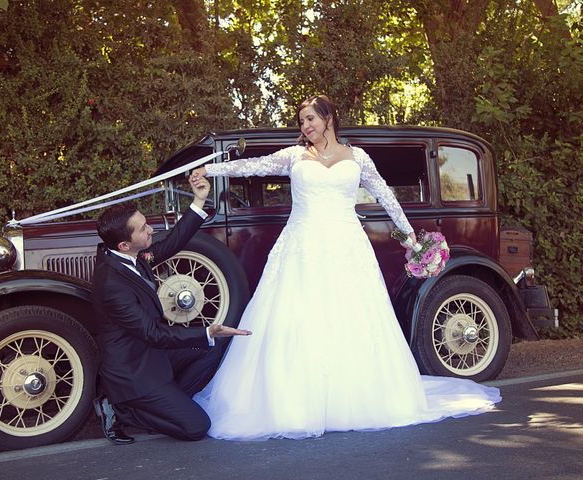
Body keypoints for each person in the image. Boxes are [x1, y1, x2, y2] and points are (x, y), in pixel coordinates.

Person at [191, 95, 501, 441]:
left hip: (347, 245)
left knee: (352, 314)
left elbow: (385, 196)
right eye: (302, 122)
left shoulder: (357, 157)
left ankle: (357, 396)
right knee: (297, 315)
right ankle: (293, 401)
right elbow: (253, 165)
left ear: (328, 118)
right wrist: (210, 169)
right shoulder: (295, 156)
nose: (306, 126)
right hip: (302, 246)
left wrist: (411, 239)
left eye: (310, 119)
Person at [91, 175, 251, 445]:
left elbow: (174, 242)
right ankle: (122, 411)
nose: (150, 230)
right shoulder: (112, 284)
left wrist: (199, 199)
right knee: (196, 427)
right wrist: (208, 330)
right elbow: (153, 333)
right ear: (124, 245)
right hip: (134, 371)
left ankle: (169, 402)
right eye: (143, 229)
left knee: (212, 348)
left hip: (153, 355)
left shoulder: (131, 256)